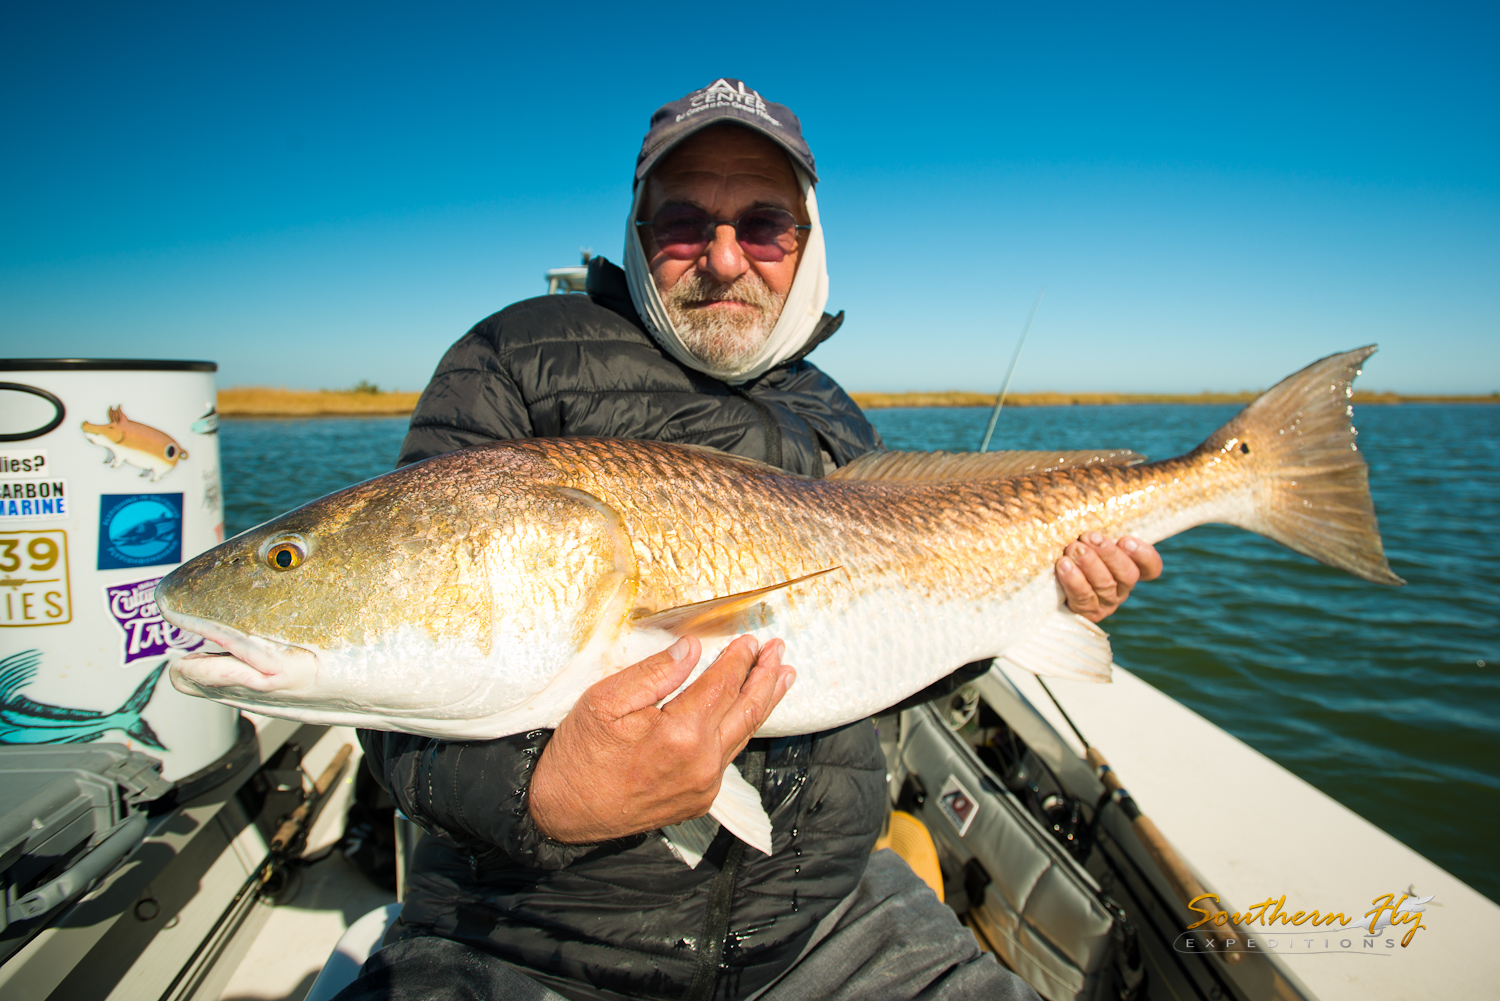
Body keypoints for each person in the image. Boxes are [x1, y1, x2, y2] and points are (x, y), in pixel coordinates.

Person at [342, 78, 1162, 1001]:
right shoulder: (514, 361)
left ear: (807, 244)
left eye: (764, 225)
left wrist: (1046, 594)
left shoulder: (836, 415)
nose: (725, 259)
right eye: (685, 222)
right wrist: (543, 797)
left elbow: (892, 642)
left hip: (835, 922)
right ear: (637, 232)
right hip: (530, 935)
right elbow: (389, 680)